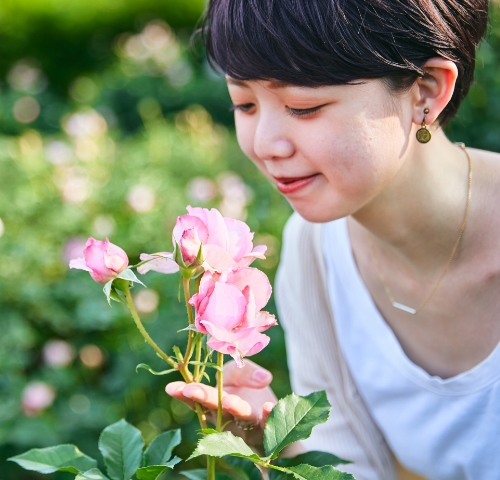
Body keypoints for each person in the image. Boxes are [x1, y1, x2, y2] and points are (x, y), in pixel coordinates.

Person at [164, 1, 498, 479]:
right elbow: (357, 465)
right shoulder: (315, 250)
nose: (264, 144)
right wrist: (276, 446)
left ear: (425, 91)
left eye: (304, 107)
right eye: (245, 104)